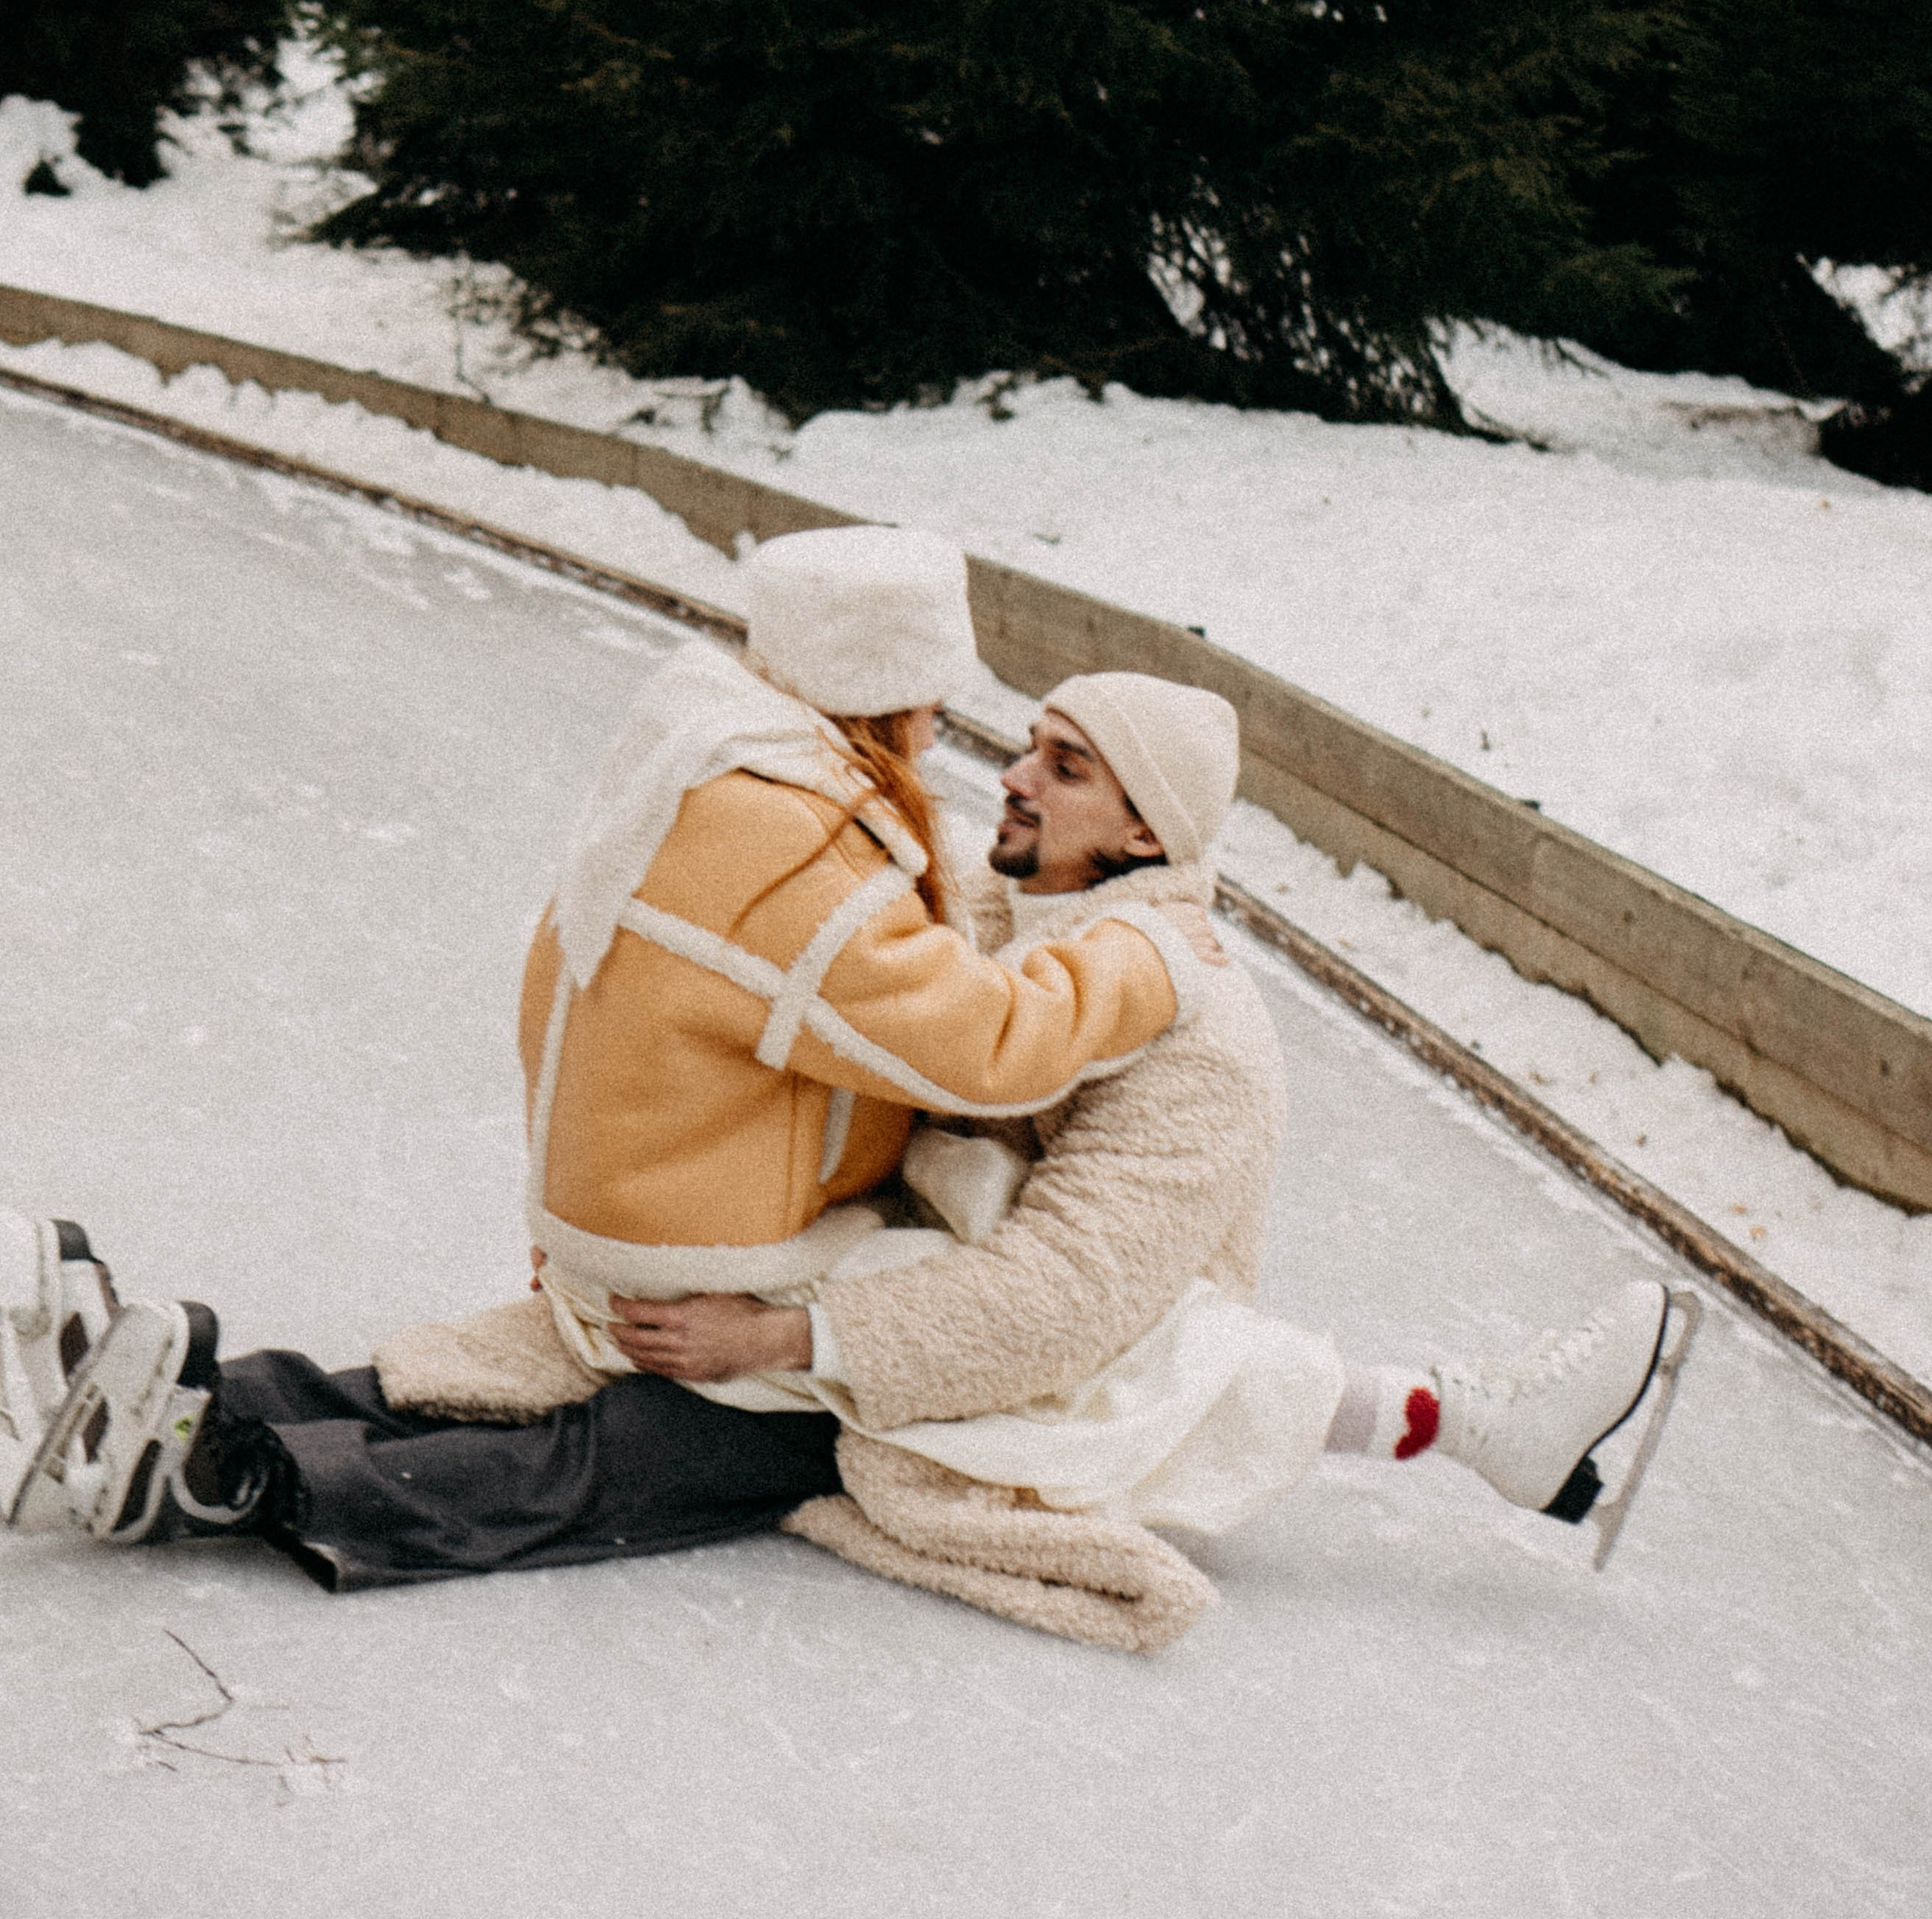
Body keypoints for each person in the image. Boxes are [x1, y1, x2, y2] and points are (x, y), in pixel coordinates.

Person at [5, 558, 1688, 1648]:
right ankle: (171, 1381)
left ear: (1147, 833)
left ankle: (215, 1474)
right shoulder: (1016, 923)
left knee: (630, 1443)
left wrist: (783, 1345)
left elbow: (1065, 1297)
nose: (1006, 776)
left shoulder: (1198, 1034)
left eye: (1060, 766)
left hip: (943, 1369)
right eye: (1018, 744)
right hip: (866, 1303)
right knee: (511, 1358)